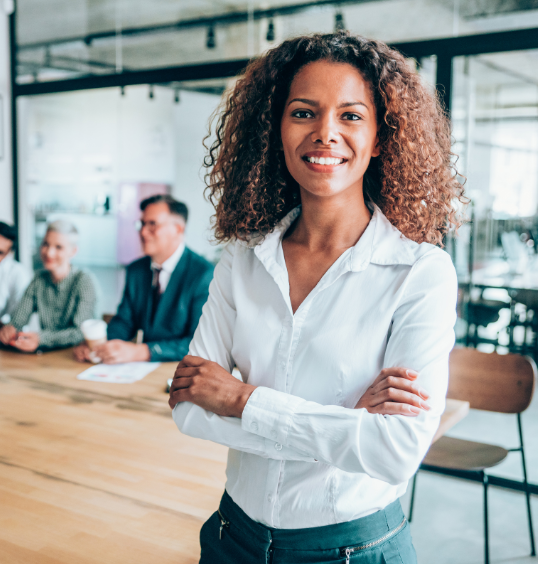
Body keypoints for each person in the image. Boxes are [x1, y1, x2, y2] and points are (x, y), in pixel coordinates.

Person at [168, 32, 465, 563]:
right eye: (303, 113)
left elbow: (394, 452)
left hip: (352, 548)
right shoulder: (241, 259)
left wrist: (240, 400)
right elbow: (189, 408)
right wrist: (345, 420)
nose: (325, 133)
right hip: (232, 539)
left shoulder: (420, 274)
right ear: (276, 130)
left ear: (380, 137)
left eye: (351, 116)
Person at [73, 194, 214, 364]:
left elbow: (198, 342)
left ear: (178, 229)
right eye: (142, 224)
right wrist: (97, 347)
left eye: (152, 224)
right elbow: (125, 321)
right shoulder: (136, 270)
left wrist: (142, 351)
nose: (143, 232)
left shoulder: (203, 274)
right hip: (141, 371)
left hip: (182, 370)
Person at [0, 220, 98, 352]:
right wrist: (10, 329)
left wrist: (41, 339)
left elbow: (80, 332)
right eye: (46, 244)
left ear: (73, 251)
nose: (49, 253)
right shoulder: (38, 279)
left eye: (58, 247)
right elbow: (18, 319)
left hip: (77, 355)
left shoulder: (84, 281)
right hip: (46, 357)